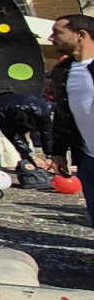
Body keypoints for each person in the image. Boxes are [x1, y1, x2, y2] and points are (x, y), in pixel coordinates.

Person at [47, 14, 94, 228]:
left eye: (58, 32)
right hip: (88, 157)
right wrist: (57, 152)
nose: (51, 38)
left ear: (80, 35)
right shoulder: (63, 71)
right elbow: (62, 115)